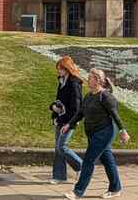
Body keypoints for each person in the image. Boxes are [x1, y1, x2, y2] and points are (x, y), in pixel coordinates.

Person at [62, 69, 130, 199]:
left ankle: (77, 192)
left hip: (104, 133)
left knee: (88, 160)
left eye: (90, 78)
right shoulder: (89, 96)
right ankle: (115, 189)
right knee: (107, 160)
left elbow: (115, 115)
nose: (88, 80)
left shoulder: (105, 96)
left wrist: (123, 131)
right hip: (92, 133)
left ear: (98, 80)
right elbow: (80, 113)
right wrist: (69, 124)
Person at [51, 56, 85, 184]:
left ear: (67, 69)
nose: (58, 71)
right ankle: (59, 176)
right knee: (58, 148)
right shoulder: (62, 81)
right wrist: (53, 108)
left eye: (60, 68)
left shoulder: (74, 83)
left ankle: (81, 166)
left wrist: (70, 122)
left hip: (69, 120)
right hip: (60, 119)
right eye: (58, 68)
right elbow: (59, 100)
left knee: (61, 146)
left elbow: (76, 107)